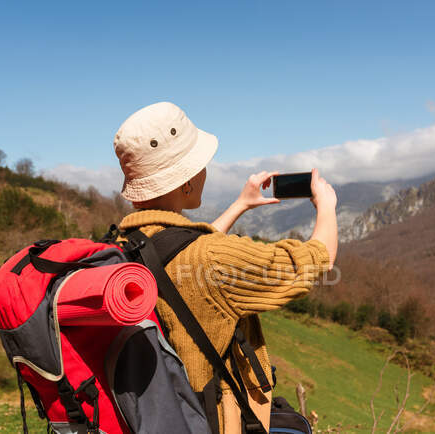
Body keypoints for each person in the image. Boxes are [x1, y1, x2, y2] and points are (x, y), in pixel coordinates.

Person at [113, 102, 337, 433]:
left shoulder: (121, 244)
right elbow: (313, 263)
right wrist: (327, 206)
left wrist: (240, 205)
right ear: (186, 181)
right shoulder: (213, 258)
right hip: (211, 420)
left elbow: (177, 251)